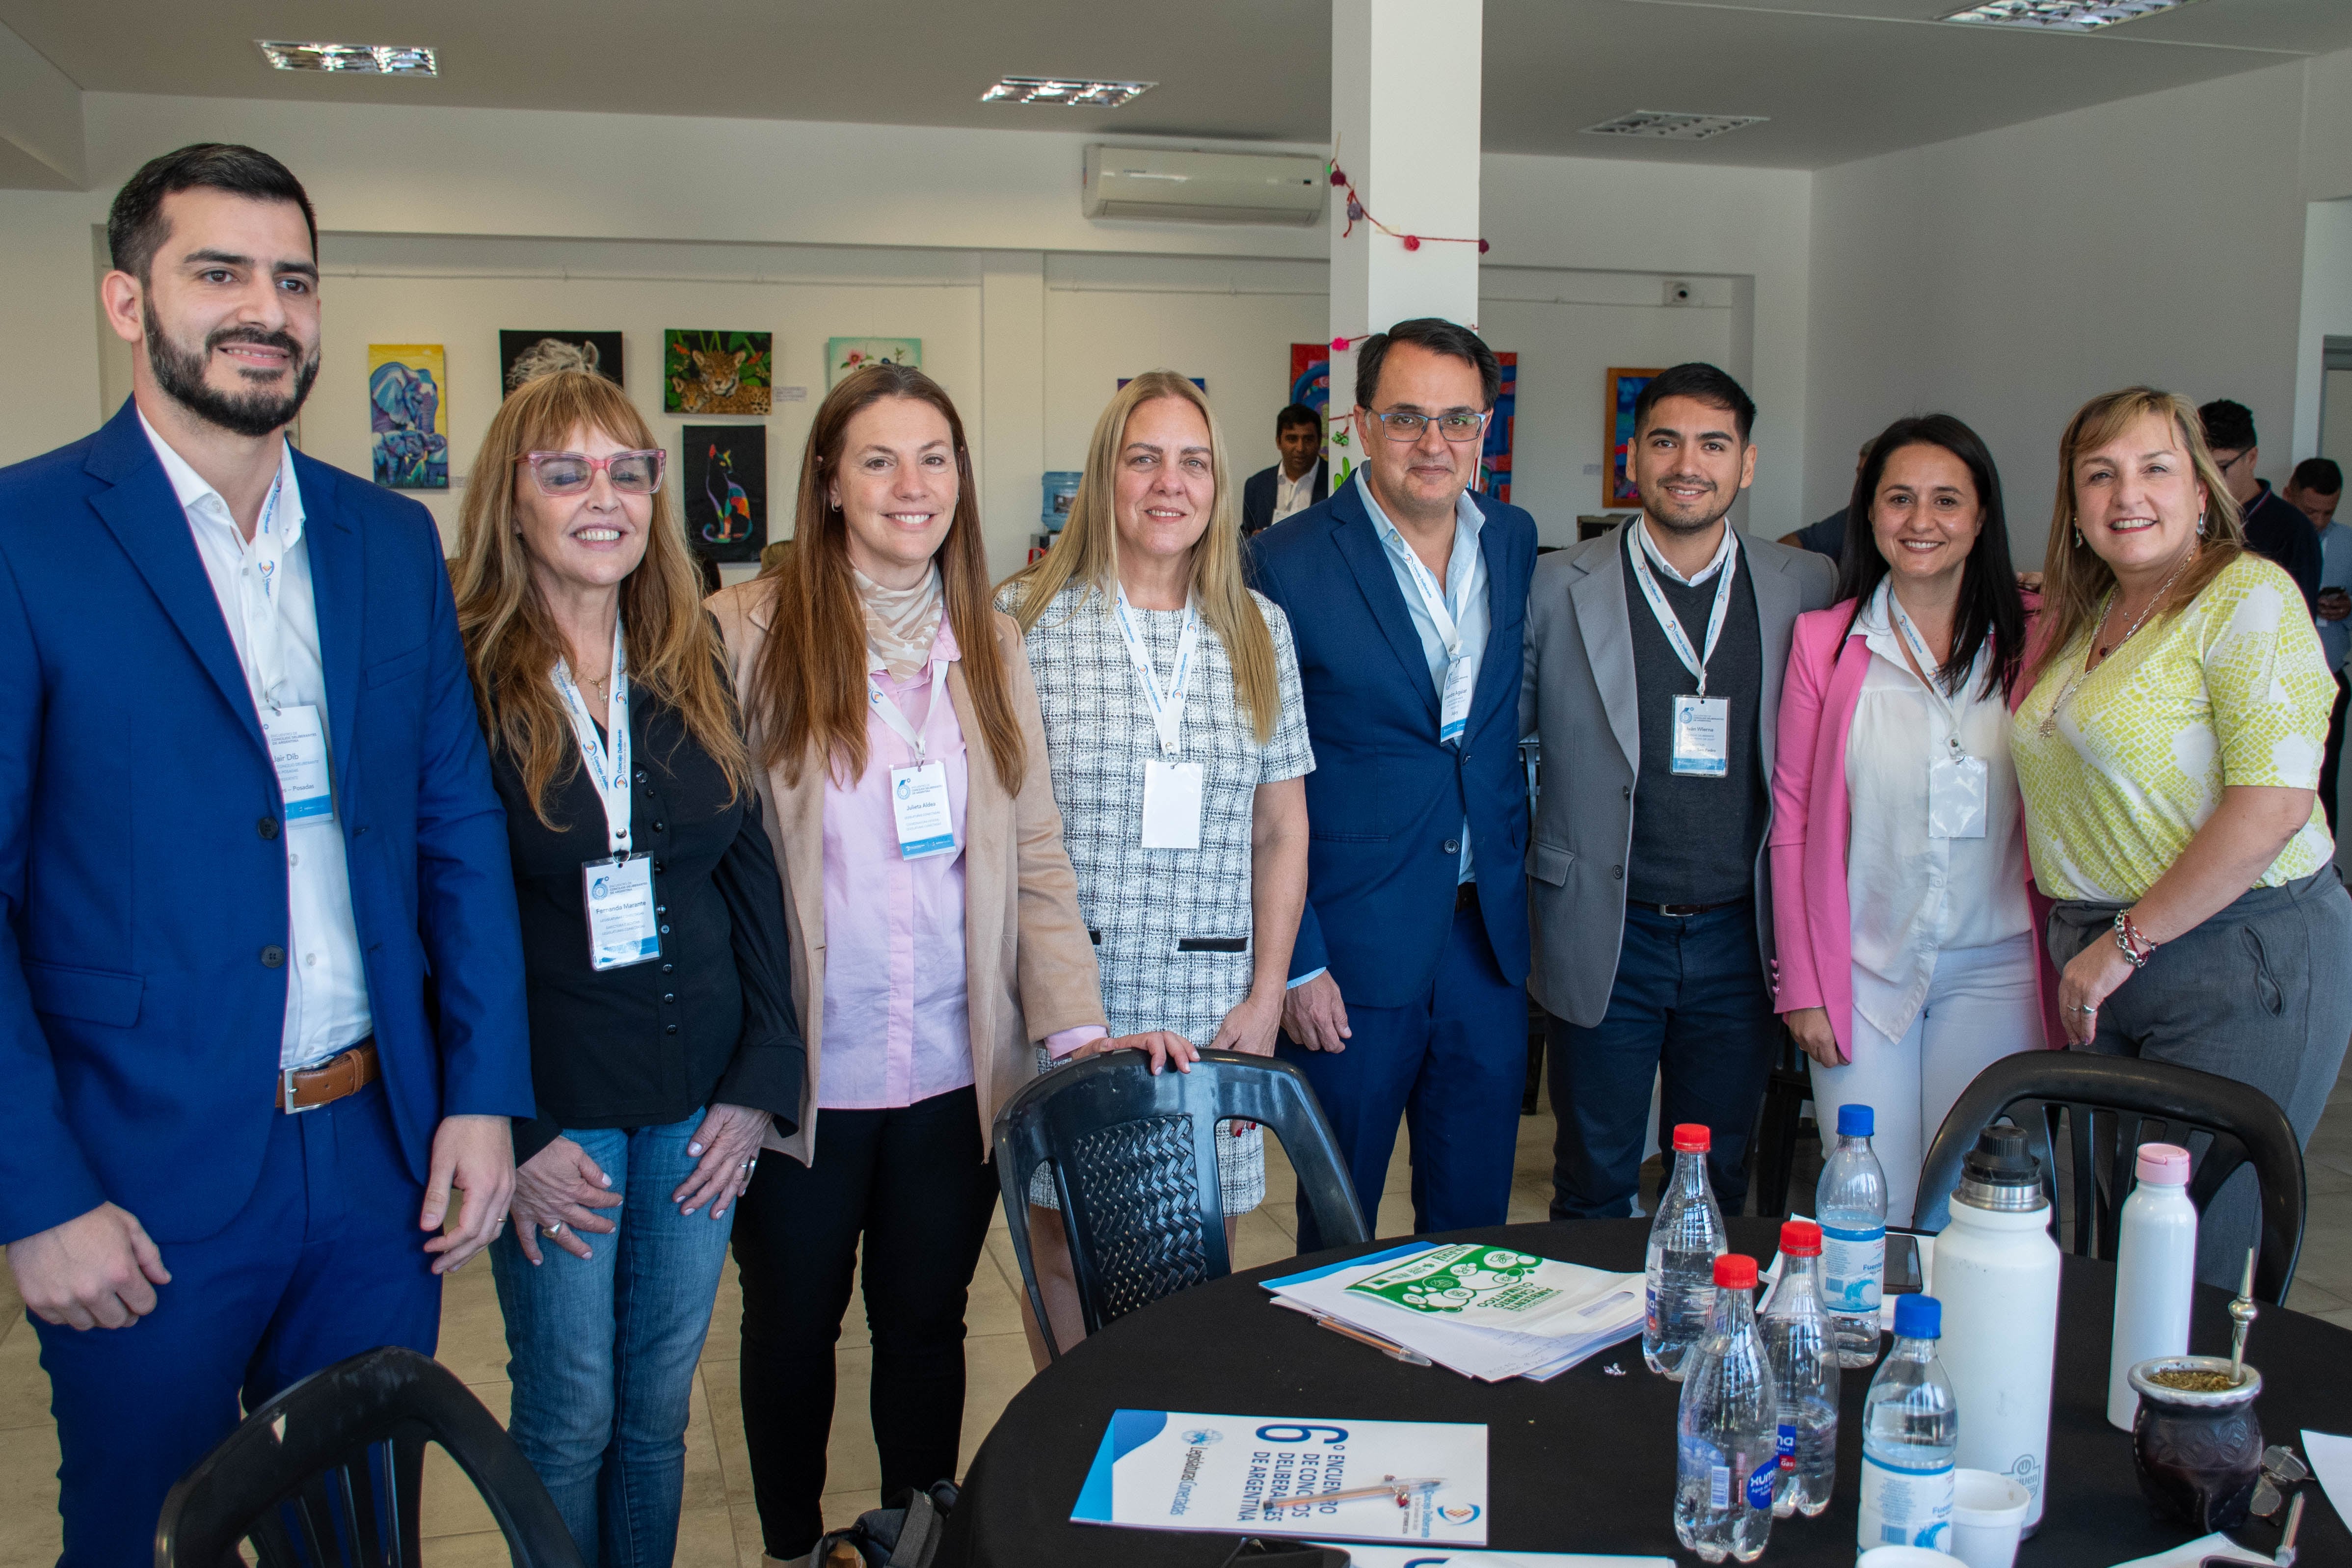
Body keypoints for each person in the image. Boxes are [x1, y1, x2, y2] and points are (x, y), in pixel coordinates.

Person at [0, 143, 531, 1565]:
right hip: (143, 1172)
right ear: (127, 300)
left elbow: (454, 831)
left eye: (294, 279)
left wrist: (481, 1093)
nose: (268, 309)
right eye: (219, 272)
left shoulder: (386, 538)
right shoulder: (25, 534)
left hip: (373, 1161)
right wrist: (35, 1195)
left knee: (357, 1537)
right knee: (137, 1536)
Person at [708, 363, 1189, 1560]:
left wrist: (1075, 1035)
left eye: (933, 458)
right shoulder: (741, 636)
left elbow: (1033, 856)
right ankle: (787, 1543)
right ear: (826, 482)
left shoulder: (990, 641)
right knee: (791, 1327)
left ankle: (912, 1534)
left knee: (924, 1325)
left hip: (945, 1064)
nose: (909, 485)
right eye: (877, 459)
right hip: (803, 1072)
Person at [452, 371, 804, 1568]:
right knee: (571, 1413)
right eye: (565, 473)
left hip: (702, 1101)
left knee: (657, 1415)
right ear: (512, 502)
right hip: (562, 1113)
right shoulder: (464, 672)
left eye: (626, 470)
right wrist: (513, 1121)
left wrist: (761, 1079)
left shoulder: (686, 649)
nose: (602, 497)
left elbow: (750, 874)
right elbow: (438, 915)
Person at [999, 371, 1314, 1357]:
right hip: (1070, 1002)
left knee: (1195, 1259)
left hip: (1209, 997)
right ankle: (1072, 1466)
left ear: (1219, 484)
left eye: (1192, 461)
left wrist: (1268, 993)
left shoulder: (1259, 631)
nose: (1167, 483)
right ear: (1106, 475)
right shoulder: (1026, 619)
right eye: (1144, 458)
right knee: (1060, 1253)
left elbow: (1280, 829)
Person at [2012, 387, 2352, 1289]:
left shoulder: (2249, 597)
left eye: (2155, 469)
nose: (2129, 495)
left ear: (2202, 492)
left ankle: (2194, 1437)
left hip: (2236, 954)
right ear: (2075, 505)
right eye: (2101, 475)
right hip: (2107, 958)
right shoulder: (2091, 618)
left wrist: (2125, 943)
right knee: (2118, 1257)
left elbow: (2272, 806)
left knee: (2198, 1263)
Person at [1522, 362, 1836, 1219]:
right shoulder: (1558, 583)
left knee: (1717, 1184)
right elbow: (1510, 740)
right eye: (1664, 441)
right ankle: (1593, 1347)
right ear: (1633, 457)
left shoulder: (1802, 586)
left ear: (1748, 462)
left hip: (1739, 936)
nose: (1686, 463)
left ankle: (1703, 1343)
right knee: (1593, 1180)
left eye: (1712, 443)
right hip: (1604, 928)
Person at [1249, 318, 1536, 1247]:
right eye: (1407, 418)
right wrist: (1298, 959)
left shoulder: (1513, 541)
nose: (1433, 444)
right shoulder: (1283, 564)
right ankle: (1343, 1391)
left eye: (1457, 421)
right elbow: (1260, 778)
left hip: (1483, 942)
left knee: (1472, 1224)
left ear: (1485, 430)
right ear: (1361, 426)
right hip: (1351, 950)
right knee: (1339, 1224)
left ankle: (1459, 1387)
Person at [1769, 414, 2049, 1226]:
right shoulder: (1825, 643)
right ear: (1868, 513)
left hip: (1998, 968)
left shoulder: (2038, 635)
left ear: (1983, 516)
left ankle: (1953, 1356)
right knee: (1866, 1206)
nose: (1920, 521)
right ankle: (1870, 1354)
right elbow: (1790, 820)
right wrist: (1804, 984)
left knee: (1973, 1205)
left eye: (1945, 500)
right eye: (1897, 499)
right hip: (1860, 968)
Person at [2198, 399, 2321, 615]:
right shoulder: (2190, 516)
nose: (2210, 480)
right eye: (2201, 468)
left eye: (2221, 467)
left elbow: (2298, 620)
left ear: (2252, 458)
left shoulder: (2293, 530)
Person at [2287, 458, 2350, 832]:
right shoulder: (2271, 537)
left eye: (2329, 512)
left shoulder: (2349, 545)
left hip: (2331, 681)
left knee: (2324, 783)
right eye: (2311, 511)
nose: (2320, 521)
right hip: (2279, 685)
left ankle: (2325, 875)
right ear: (2289, 495)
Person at [1241, 402, 1329, 537]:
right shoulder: (1256, 485)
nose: (1300, 448)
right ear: (1279, 442)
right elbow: (1245, 534)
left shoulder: (1335, 480)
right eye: (1292, 439)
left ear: (1319, 442)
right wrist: (1253, 542)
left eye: (1308, 439)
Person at [1778, 441, 1873, 561]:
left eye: (1870, 475)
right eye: (1859, 474)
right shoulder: (1854, 515)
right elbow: (1801, 541)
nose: (1860, 484)